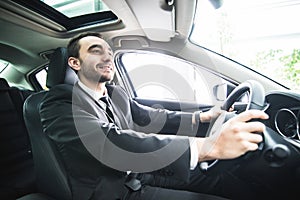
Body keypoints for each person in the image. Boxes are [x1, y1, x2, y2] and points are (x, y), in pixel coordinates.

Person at [40, 32, 268, 200]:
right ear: (74, 63)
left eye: (109, 52)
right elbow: (109, 143)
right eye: (96, 51)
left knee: (225, 181)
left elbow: (150, 117)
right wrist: (205, 148)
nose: (108, 58)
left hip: (142, 174)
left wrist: (203, 117)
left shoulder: (115, 93)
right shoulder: (58, 104)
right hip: (113, 191)